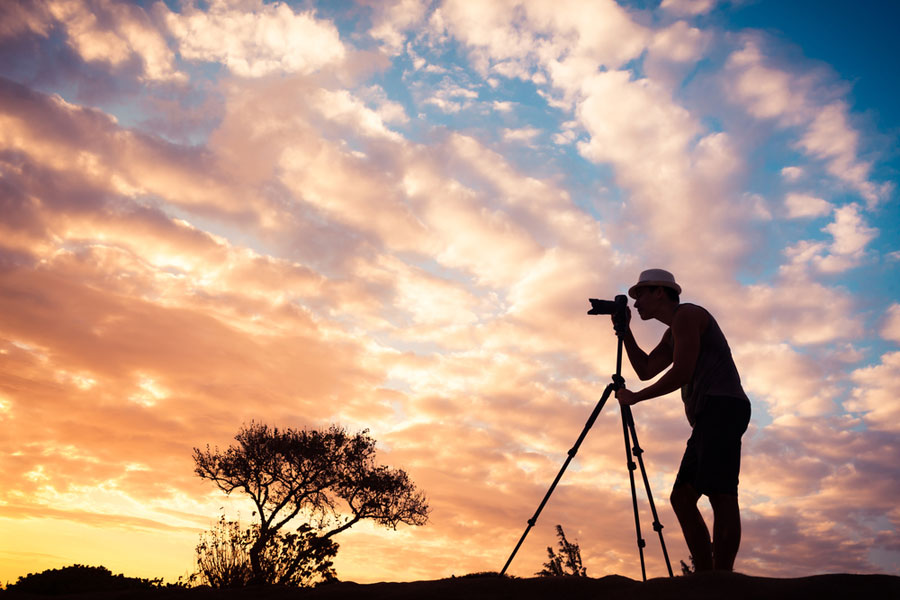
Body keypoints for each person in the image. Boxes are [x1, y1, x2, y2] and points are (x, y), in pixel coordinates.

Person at [613, 269, 751, 572]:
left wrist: (637, 397)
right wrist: (626, 332)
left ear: (660, 292)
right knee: (683, 497)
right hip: (709, 415)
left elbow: (683, 372)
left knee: (721, 492)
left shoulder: (687, 315)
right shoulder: (671, 331)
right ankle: (704, 574)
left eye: (641, 296)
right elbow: (646, 368)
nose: (636, 304)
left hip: (722, 408)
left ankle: (720, 579)